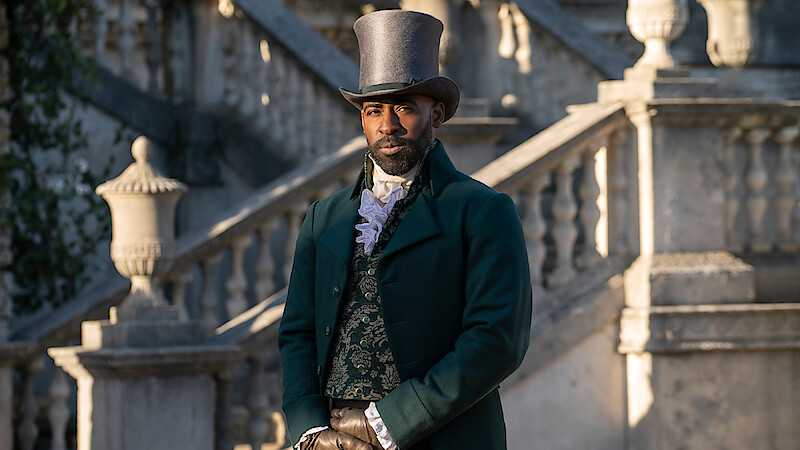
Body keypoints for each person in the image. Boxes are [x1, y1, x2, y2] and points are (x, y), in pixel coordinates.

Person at [278, 9, 532, 450]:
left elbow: (497, 340)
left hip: (442, 438)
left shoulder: (483, 211)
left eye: (404, 108)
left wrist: (389, 424)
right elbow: (298, 334)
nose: (388, 125)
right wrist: (311, 430)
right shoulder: (324, 216)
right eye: (374, 110)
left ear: (437, 115)